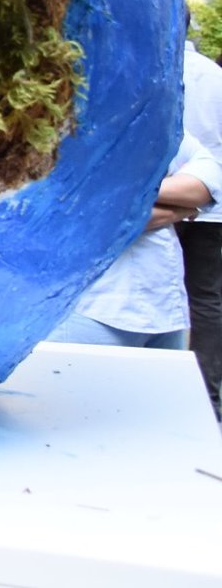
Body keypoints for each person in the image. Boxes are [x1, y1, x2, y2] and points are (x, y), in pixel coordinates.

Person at [47, 127, 221, 349]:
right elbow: (93, 217)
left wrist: (131, 191)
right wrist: (179, 208)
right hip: (90, 309)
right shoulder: (65, 127)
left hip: (164, 306)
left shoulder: (159, 119)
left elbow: (211, 177)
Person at [178, 36, 222, 414]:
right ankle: (206, 391)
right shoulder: (214, 75)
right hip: (211, 203)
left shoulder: (157, 71)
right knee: (205, 296)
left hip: (164, 197)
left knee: (164, 285)